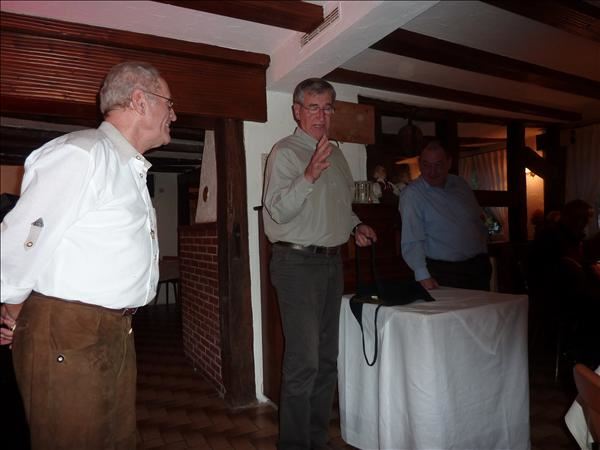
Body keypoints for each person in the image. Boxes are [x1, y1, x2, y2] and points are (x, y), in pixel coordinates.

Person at [0, 60, 176, 449]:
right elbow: (22, 238)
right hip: (69, 331)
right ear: (140, 100)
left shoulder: (126, 167)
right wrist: (15, 309)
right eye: (169, 103)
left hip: (114, 329)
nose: (174, 115)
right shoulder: (83, 154)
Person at [262, 78, 377, 449]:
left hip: (331, 263)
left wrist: (355, 226)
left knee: (327, 360)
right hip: (296, 264)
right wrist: (309, 173)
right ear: (297, 111)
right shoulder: (285, 152)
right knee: (304, 362)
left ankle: (316, 440)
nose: (321, 115)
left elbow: (339, 206)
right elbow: (277, 210)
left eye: (327, 107)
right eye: (313, 107)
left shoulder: (337, 154)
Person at [399, 140, 491, 290]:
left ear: (449, 163)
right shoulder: (413, 194)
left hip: (478, 267)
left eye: (438, 165)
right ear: (419, 164)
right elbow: (412, 240)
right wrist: (422, 276)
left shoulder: (460, 184)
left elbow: (476, 220)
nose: (432, 172)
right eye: (426, 165)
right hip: (444, 272)